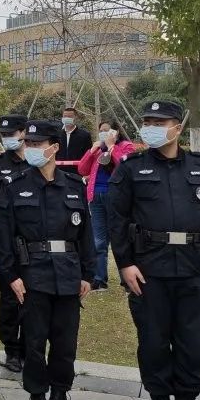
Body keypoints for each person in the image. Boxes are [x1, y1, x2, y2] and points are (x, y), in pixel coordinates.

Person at [108, 100, 200, 400]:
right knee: (153, 340)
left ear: (177, 126)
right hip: (149, 270)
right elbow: (116, 219)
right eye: (147, 121)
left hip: (193, 268)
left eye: (160, 122)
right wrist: (125, 264)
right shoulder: (131, 168)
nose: (152, 127)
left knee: (192, 341)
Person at [0, 120, 94, 400]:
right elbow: (3, 236)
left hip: (67, 275)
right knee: (33, 343)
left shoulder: (74, 185)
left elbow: (86, 235)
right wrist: (10, 276)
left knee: (65, 345)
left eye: (38, 144)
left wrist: (88, 274)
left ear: (54, 147)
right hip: (32, 274)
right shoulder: (16, 184)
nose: (32, 149)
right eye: (29, 144)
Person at [0, 114, 29, 374]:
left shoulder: (37, 160)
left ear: (24, 132)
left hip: (33, 240)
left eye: (12, 134)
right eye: (4, 135)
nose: (8, 139)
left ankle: (28, 348)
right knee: (10, 299)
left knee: (33, 299)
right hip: (6, 240)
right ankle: (11, 350)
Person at [77, 120, 135, 291]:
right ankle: (99, 278)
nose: (103, 134)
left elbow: (124, 167)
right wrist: (92, 150)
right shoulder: (98, 149)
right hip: (96, 196)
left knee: (119, 237)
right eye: (101, 131)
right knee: (98, 240)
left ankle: (127, 280)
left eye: (107, 130)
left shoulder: (126, 146)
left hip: (116, 197)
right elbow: (82, 169)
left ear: (116, 132)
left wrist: (111, 147)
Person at [57, 106, 91, 175]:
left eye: (70, 116)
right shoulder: (57, 134)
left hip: (77, 172)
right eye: (65, 116)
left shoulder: (84, 135)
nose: (67, 118)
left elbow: (88, 155)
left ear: (75, 118)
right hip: (59, 171)